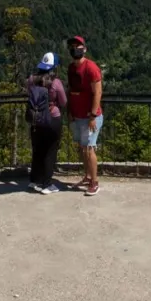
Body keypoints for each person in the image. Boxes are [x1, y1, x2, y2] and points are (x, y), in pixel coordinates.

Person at [26, 52, 68, 194]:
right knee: (50, 151)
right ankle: (47, 184)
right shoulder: (56, 83)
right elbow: (63, 101)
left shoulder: (31, 80)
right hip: (52, 119)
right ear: (54, 67)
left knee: (37, 150)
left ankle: (34, 180)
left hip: (35, 120)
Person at [67, 36, 103, 196]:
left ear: (84, 49)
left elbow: (98, 92)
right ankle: (88, 177)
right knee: (83, 149)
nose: (75, 49)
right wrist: (70, 111)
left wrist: (93, 115)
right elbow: (70, 91)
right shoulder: (71, 68)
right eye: (73, 46)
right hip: (78, 116)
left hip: (90, 117)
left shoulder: (91, 68)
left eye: (78, 46)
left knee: (89, 149)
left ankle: (94, 182)